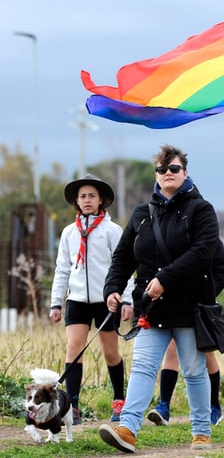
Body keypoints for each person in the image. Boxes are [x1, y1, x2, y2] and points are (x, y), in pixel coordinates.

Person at [99, 144, 222, 452]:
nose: (168, 174)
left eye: (174, 169)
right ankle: (127, 428)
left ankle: (202, 431)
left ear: (185, 172)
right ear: (155, 174)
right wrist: (112, 288)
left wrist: (165, 279)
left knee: (194, 370)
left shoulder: (201, 209)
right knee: (142, 366)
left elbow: (203, 252)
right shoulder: (142, 213)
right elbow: (124, 256)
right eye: (162, 169)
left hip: (190, 306)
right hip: (151, 308)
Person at [49, 173, 134, 424]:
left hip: (106, 301)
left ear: (101, 201)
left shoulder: (112, 230)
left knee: (110, 352)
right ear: (76, 200)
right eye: (82, 196)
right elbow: (62, 268)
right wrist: (56, 302)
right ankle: (72, 406)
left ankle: (119, 400)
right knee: (74, 350)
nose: (87, 200)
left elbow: (124, 266)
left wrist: (126, 300)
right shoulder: (68, 233)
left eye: (92, 196)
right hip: (76, 301)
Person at [147, 240, 224, 426]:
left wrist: (207, 293)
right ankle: (164, 406)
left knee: (205, 351)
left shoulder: (208, 235)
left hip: (199, 305)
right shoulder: (172, 232)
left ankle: (214, 406)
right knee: (171, 349)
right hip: (172, 303)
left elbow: (223, 270)